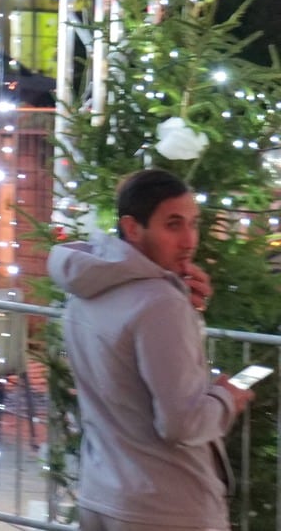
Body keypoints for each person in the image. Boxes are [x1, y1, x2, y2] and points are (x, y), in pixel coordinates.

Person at [48, 168, 252, 531]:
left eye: (194, 223)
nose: (189, 240)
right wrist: (226, 398)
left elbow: (122, 377)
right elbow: (180, 422)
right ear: (132, 228)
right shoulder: (160, 304)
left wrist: (186, 310)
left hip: (104, 492)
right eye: (173, 225)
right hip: (167, 505)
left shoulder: (86, 285)